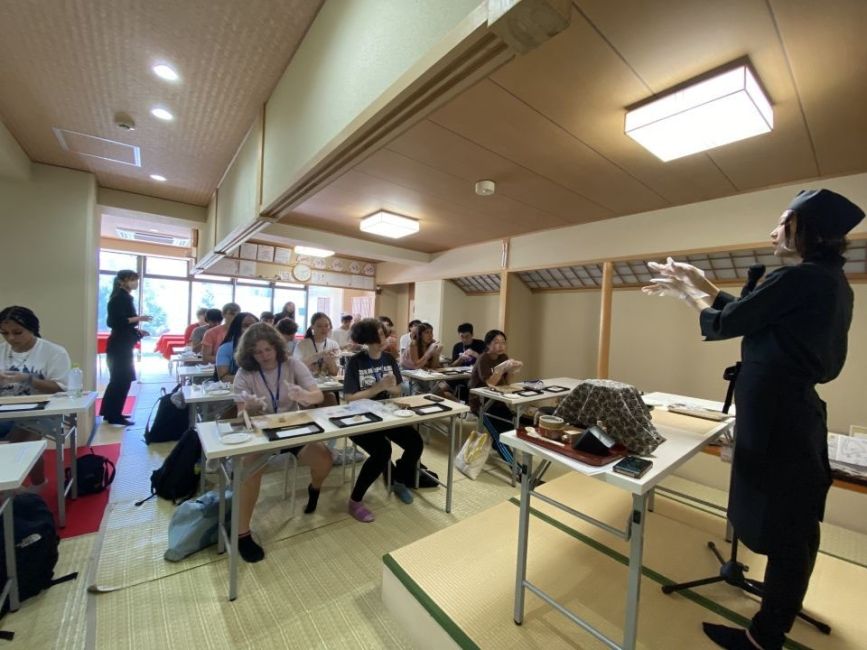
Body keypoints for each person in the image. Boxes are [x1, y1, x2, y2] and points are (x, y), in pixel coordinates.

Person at [642, 189, 864, 650]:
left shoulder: (802, 279)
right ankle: (775, 614)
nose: (773, 231)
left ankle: (765, 636)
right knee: (792, 524)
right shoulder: (827, 281)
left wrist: (688, 293)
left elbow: (724, 324)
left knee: (785, 528)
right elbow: (752, 314)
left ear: (810, 231)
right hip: (787, 414)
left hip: (779, 420)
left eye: (783, 222)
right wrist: (701, 284)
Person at [232, 323, 331, 562]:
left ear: (276, 347)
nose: (264, 356)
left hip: (291, 426)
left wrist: (304, 395)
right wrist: (250, 409)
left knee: (325, 462)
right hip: (261, 431)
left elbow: (317, 395)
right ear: (250, 354)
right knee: (247, 475)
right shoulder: (245, 373)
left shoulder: (292, 364)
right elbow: (240, 413)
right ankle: (242, 534)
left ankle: (314, 488)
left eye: (268, 350)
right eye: (258, 352)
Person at [343, 318, 424, 521]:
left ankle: (398, 481)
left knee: (415, 442)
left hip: (386, 415)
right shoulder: (356, 362)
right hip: (359, 418)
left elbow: (397, 389)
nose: (385, 337)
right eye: (381, 334)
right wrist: (376, 388)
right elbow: (349, 397)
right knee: (382, 451)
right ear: (369, 338)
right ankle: (355, 500)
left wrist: (388, 387)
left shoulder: (388, 359)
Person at [0, 306, 71, 489]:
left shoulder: (54, 352)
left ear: (32, 329)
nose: (11, 338)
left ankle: (28, 485)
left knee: (21, 441)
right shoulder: (2, 350)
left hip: (41, 408)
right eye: (4, 333)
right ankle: (11, 487)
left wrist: (28, 379)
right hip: (5, 407)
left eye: (17, 332)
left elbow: (60, 387)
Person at [101, 270, 151, 426]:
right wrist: (139, 318)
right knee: (120, 380)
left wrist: (138, 331)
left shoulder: (125, 298)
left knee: (121, 380)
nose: (135, 282)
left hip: (123, 345)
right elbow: (115, 322)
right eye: (131, 279)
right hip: (119, 347)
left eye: (136, 279)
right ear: (122, 281)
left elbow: (124, 325)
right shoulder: (117, 298)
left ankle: (112, 413)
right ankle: (113, 415)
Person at [468, 329, 524, 463]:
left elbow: (507, 383)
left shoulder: (503, 357)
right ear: (488, 344)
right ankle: (517, 471)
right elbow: (490, 383)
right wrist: (500, 369)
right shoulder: (484, 359)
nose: (500, 346)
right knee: (500, 437)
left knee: (513, 428)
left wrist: (512, 369)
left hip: (497, 400)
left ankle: (496, 445)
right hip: (481, 403)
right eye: (496, 342)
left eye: (503, 343)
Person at [400, 322, 456, 400]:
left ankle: (461, 408)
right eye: (427, 332)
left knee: (441, 393)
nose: (430, 335)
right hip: (408, 376)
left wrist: (436, 354)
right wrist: (429, 352)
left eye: (431, 332)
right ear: (420, 334)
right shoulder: (413, 344)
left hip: (424, 376)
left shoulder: (431, 343)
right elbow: (416, 366)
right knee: (421, 395)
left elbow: (434, 366)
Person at [294, 313, 340, 406]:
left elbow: (334, 373)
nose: (323, 329)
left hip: (326, 386)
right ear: (312, 327)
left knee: (330, 398)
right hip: (306, 386)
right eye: (319, 326)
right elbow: (296, 369)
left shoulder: (333, 344)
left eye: (326, 325)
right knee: (308, 402)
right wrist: (317, 356)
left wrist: (330, 361)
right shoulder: (302, 344)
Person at [215, 312, 258, 383]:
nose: (250, 329)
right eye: (245, 326)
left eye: (254, 326)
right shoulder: (226, 348)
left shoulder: (265, 347)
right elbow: (224, 378)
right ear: (237, 328)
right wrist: (255, 378)